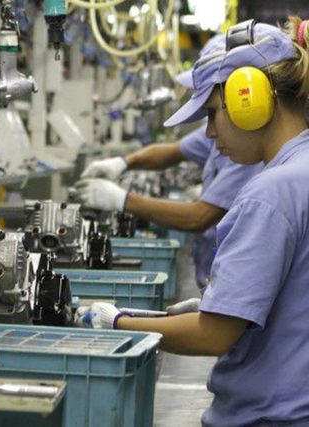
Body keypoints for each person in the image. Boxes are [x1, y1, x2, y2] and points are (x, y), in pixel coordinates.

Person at [77, 18, 309, 426]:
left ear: (250, 100)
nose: (210, 133)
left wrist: (116, 322)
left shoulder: (269, 193)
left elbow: (213, 335)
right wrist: (225, 303)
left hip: (269, 416)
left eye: (213, 114)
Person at [78, 34, 263, 290]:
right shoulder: (223, 131)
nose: (210, 131)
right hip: (214, 274)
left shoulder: (246, 148)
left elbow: (199, 217)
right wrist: (122, 162)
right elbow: (173, 151)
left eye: (210, 110)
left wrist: (122, 200)